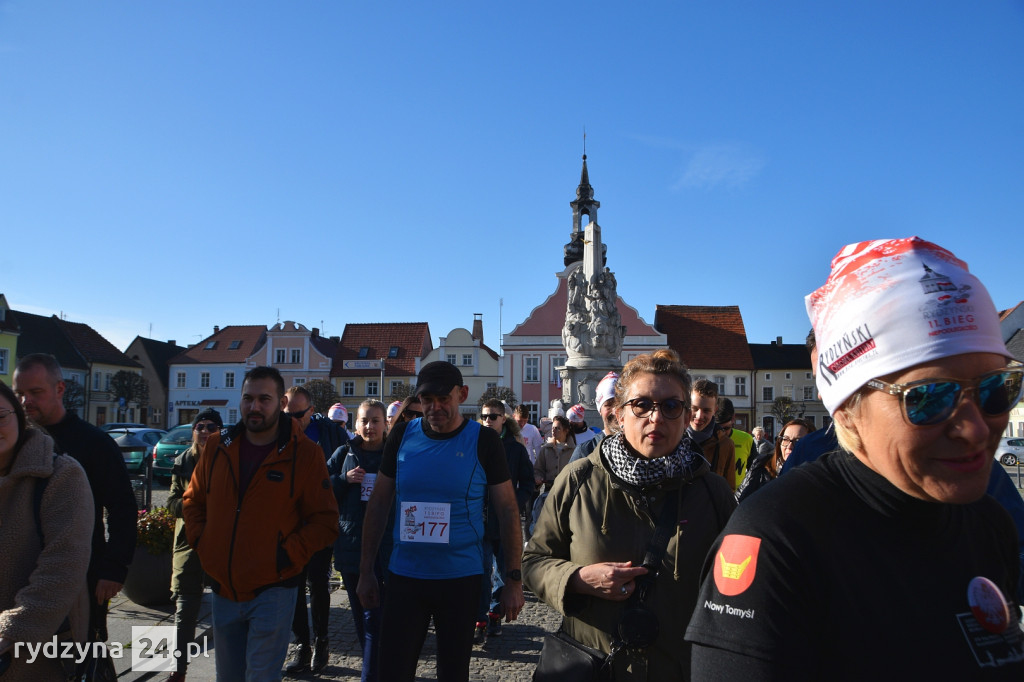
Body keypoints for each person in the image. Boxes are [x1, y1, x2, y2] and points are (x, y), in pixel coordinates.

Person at [686, 237, 1024, 678]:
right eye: (928, 397)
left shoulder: (988, 523)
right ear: (847, 406)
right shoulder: (777, 542)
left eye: (996, 389)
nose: (977, 427)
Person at [524, 349, 737, 678]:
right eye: (642, 405)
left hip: (677, 669)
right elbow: (535, 561)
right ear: (619, 415)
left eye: (671, 406)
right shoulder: (579, 478)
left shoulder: (712, 492)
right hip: (595, 665)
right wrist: (577, 579)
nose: (656, 418)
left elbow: (736, 589)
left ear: (684, 416)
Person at [355, 361, 524, 682]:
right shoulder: (403, 434)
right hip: (406, 575)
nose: (434, 407)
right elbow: (378, 503)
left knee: (452, 672)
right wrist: (366, 572)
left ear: (461, 395)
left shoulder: (483, 440)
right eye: (426, 399)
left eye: (443, 399)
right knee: (391, 670)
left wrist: (513, 581)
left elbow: (507, 511)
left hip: (460, 578)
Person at [182, 367, 339, 681]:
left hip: (274, 589)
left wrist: (286, 554)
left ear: (280, 402)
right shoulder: (216, 446)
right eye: (248, 398)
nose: (254, 406)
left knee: (260, 677)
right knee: (229, 677)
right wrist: (205, 543)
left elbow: (325, 520)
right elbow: (193, 501)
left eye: (263, 399)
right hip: (224, 587)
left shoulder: (305, 454)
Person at [13, 354, 137, 645]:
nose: (24, 402)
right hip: (23, 572)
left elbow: (122, 508)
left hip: (83, 573)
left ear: (59, 389)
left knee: (82, 654)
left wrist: (114, 568)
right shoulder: (15, 440)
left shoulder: (93, 442)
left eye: (35, 392)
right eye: (19, 393)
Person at [0, 380, 94, 681]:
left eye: (0, 416)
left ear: (18, 415)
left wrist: (11, 632)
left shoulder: (60, 475)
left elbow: (63, 565)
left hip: (37, 652)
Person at [282, 385, 349, 674]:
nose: (293, 420)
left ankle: (321, 641)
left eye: (298, 414)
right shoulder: (277, 434)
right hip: (289, 523)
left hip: (320, 520)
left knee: (318, 581)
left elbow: (339, 473)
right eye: (288, 414)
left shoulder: (329, 435)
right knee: (294, 584)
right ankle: (301, 644)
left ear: (311, 411)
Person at [327, 399, 392, 682]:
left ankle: (373, 673)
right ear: (356, 424)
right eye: (364, 421)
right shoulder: (344, 453)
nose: (369, 426)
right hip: (352, 547)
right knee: (362, 619)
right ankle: (376, 668)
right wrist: (343, 479)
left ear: (385, 424)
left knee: (376, 621)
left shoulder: (395, 455)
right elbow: (321, 488)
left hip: (387, 549)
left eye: (375, 421)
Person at [165, 408, 223, 682]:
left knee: (227, 608)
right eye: (200, 426)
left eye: (212, 427)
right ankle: (179, 669)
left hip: (222, 544)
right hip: (188, 543)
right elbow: (171, 503)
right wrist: (192, 504)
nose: (205, 431)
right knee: (185, 608)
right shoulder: (183, 460)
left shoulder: (229, 460)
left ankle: (233, 664)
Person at [474, 399, 535, 642]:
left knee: (502, 572)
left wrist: (513, 504)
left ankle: (494, 615)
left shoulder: (515, 449)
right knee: (480, 571)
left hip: (504, 521)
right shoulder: (474, 444)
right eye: (485, 416)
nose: (488, 420)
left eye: (493, 416)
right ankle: (479, 619)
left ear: (503, 419)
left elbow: (527, 483)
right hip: (478, 519)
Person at [736, 418, 813, 503]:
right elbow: (738, 502)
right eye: (785, 439)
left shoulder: (818, 476)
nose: (789, 446)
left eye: (798, 441)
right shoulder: (761, 467)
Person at [687, 379, 736, 490]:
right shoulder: (672, 439)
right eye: (694, 408)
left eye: (706, 410)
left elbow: (728, 490)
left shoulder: (726, 445)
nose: (699, 416)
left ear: (715, 410)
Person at [531, 415, 576, 533]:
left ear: (566, 430)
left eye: (557, 428)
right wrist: (538, 477)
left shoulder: (575, 450)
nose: (553, 431)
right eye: (553, 428)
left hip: (568, 494)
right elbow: (538, 468)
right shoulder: (546, 449)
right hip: (549, 492)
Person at [568, 371, 619, 464]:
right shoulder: (585, 451)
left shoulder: (642, 448)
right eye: (609, 405)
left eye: (620, 404)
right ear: (600, 409)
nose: (615, 411)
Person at [715, 397, 755, 488]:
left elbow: (755, 472)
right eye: (717, 429)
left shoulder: (746, 439)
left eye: (726, 428)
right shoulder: (705, 440)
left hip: (738, 498)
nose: (722, 434)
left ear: (733, 418)